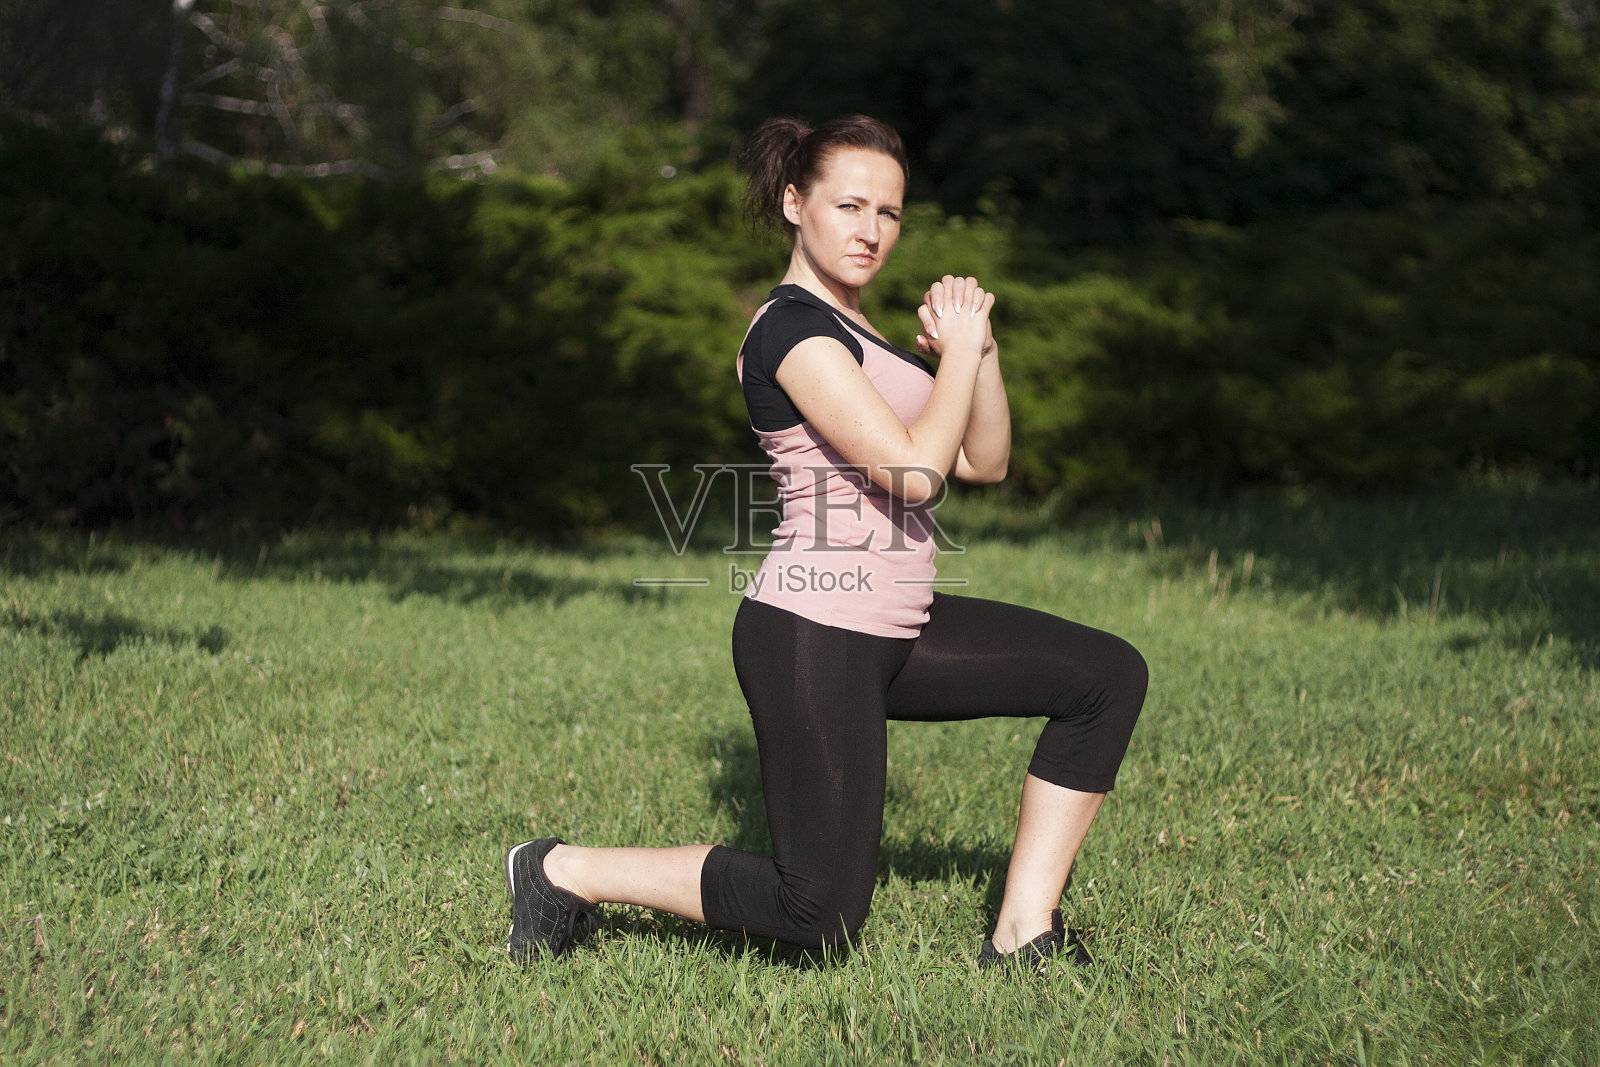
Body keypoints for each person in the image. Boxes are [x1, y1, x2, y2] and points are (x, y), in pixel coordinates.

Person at [506, 114, 1148, 971]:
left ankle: (1024, 930)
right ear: (793, 203)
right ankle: (561, 870)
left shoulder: (861, 331)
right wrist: (955, 358)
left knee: (1105, 676)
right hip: (814, 629)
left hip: (898, 623)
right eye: (850, 206)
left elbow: (984, 460)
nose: (871, 230)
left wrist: (981, 348)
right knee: (816, 913)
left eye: (889, 212)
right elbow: (914, 474)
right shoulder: (790, 331)